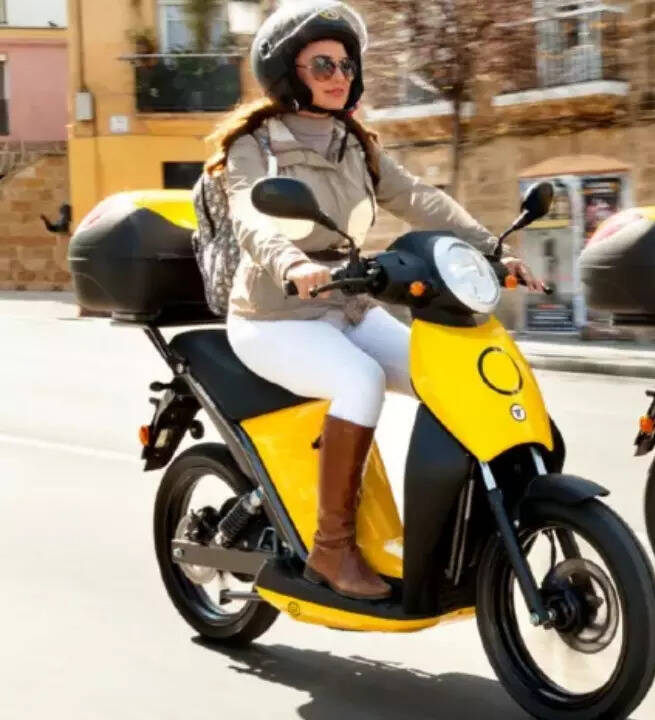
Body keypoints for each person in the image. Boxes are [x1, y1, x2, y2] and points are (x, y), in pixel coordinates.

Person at [206, 1, 542, 599]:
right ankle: (332, 548)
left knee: (448, 376)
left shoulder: (355, 144)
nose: (339, 75)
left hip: (350, 306)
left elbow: (421, 199)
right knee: (359, 381)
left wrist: (493, 250)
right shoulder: (255, 146)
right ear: (287, 73)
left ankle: (471, 520)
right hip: (275, 316)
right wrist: (293, 264)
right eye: (323, 65)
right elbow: (252, 219)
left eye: (346, 64)